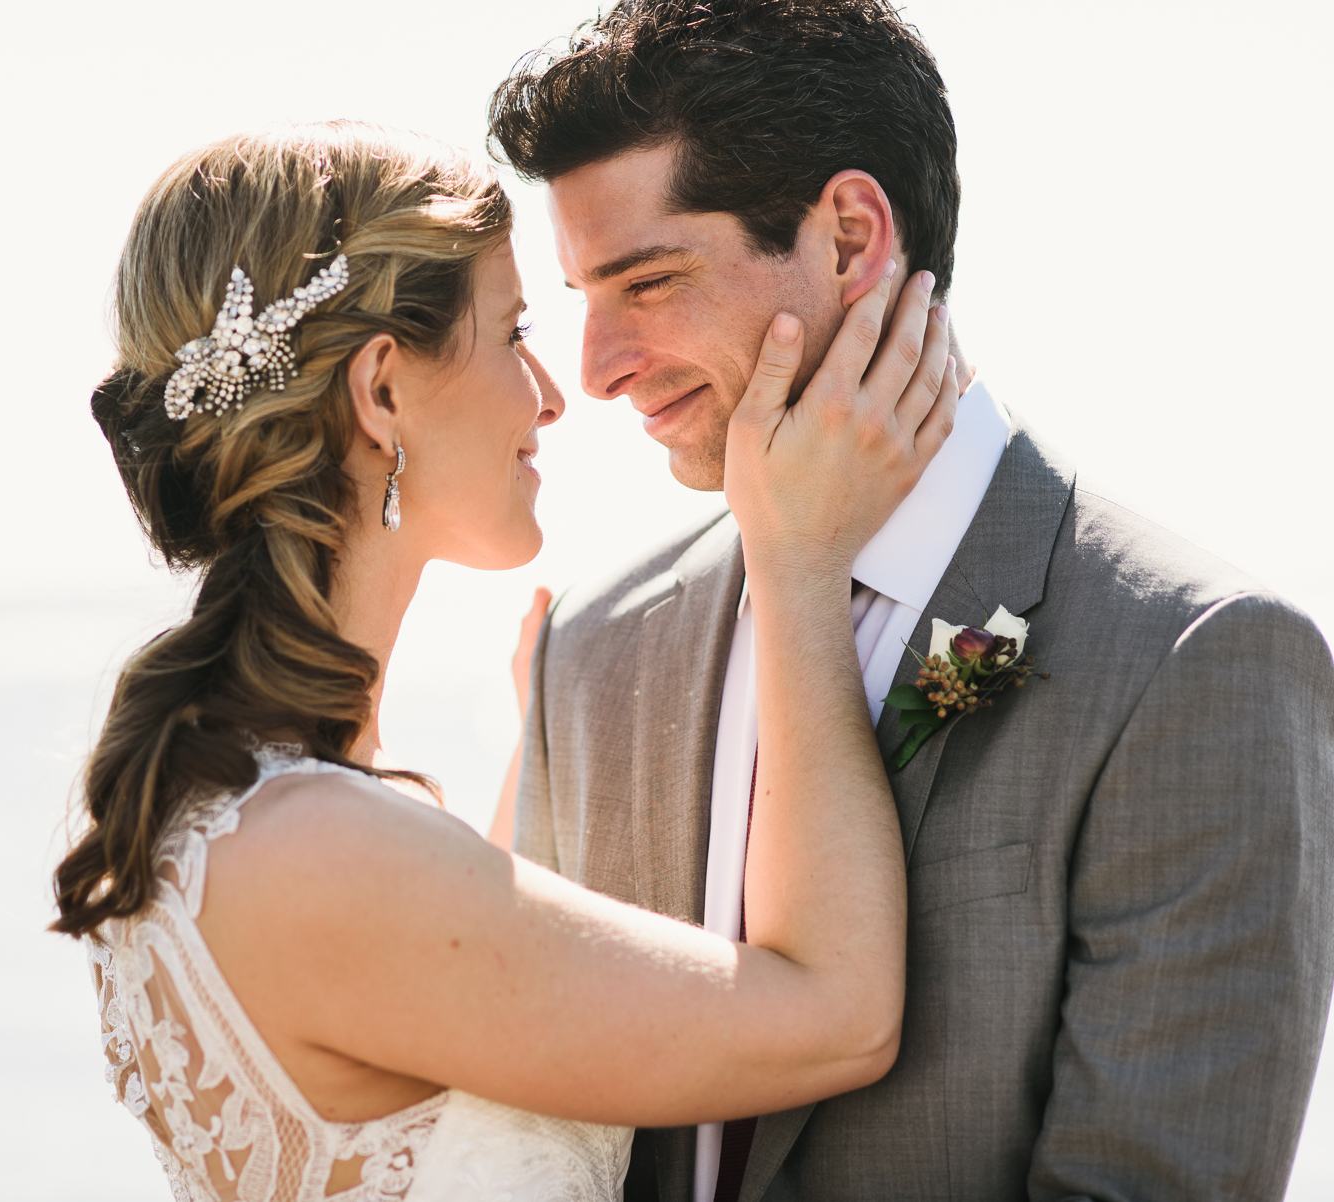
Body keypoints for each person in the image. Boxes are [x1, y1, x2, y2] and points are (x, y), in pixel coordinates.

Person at [489, 2, 1334, 1199]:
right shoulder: (593, 643)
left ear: (847, 236)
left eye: (650, 280)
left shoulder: (1197, 659)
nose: (597, 366)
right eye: (583, 294)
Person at [51, 120, 960, 1200]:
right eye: (512, 331)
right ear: (383, 390)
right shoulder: (317, 848)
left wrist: (539, 742)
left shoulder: (257, 812)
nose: (552, 391)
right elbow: (836, 1016)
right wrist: (798, 564)